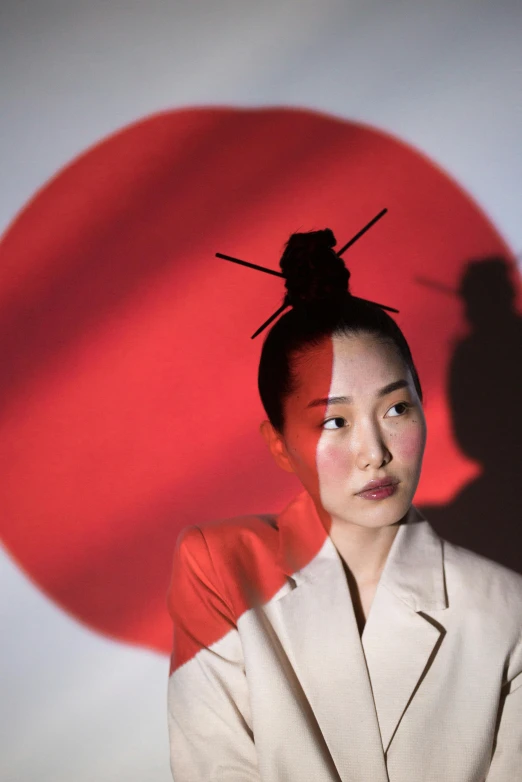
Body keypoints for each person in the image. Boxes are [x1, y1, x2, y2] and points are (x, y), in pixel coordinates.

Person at [166, 228, 522, 781]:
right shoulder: (220, 569)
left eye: (397, 409)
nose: (374, 454)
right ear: (279, 445)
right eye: (335, 422)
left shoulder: (508, 611)